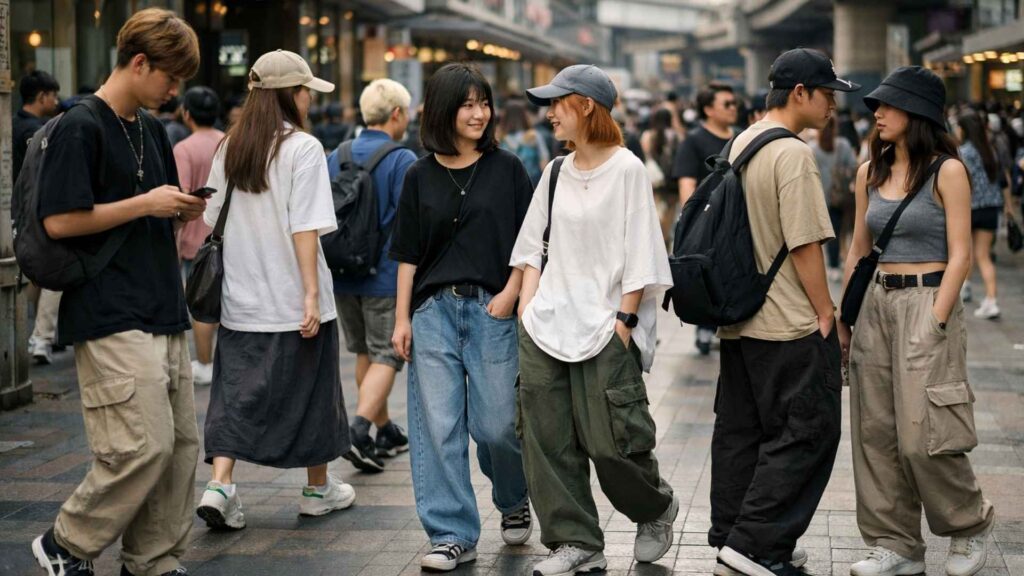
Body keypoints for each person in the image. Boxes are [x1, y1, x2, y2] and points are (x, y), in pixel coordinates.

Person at [29, 9, 204, 576]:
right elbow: (60, 221)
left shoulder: (148, 127)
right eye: (169, 78)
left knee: (178, 449)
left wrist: (179, 207)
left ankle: (151, 560)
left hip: (161, 303)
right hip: (107, 309)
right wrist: (147, 203)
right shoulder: (81, 125)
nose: (175, 92)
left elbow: (145, 210)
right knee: (140, 445)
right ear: (138, 62)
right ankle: (66, 542)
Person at [513, 64, 677, 576]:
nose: (549, 114)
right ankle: (576, 541)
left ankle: (655, 507)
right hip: (546, 324)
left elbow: (641, 253)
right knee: (547, 441)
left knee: (613, 444)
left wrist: (624, 321)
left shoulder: (627, 168)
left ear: (585, 104)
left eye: (557, 103)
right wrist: (527, 308)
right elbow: (532, 247)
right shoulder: (554, 171)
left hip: (607, 324)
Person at [839, 66, 995, 576]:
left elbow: (962, 254)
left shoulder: (947, 171)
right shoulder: (869, 172)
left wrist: (937, 319)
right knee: (875, 432)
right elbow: (859, 252)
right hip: (875, 306)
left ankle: (968, 526)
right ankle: (896, 544)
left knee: (924, 433)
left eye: (888, 105)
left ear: (918, 112)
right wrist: (846, 317)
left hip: (926, 303)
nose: (876, 113)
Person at [194, 50, 355, 532]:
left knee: (234, 393)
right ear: (291, 94)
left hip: (241, 300)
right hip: (293, 300)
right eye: (306, 90)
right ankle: (316, 489)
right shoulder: (302, 148)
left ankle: (220, 486)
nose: (309, 98)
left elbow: (210, 218)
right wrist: (309, 294)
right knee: (313, 392)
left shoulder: (230, 146)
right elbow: (305, 227)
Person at [711, 49, 857, 576]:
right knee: (808, 432)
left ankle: (734, 534)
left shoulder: (743, 140)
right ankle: (755, 545)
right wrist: (826, 311)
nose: (833, 107)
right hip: (789, 321)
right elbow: (804, 244)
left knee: (742, 432)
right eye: (828, 95)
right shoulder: (792, 154)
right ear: (800, 92)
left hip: (740, 319)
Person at [389, 63, 532, 572]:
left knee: (497, 427)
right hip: (431, 312)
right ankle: (451, 533)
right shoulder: (417, 175)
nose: (478, 113)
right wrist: (402, 318)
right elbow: (407, 255)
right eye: (467, 103)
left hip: (493, 309)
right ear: (444, 110)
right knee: (439, 429)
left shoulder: (509, 168)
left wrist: (511, 295)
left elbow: (530, 245)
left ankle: (513, 497)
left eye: (483, 102)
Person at [327, 79, 418, 472]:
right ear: (396, 114)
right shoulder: (402, 160)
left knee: (364, 351)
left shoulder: (338, 154)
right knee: (387, 355)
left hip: (343, 270)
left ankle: (386, 430)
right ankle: (360, 429)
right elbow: (411, 223)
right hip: (384, 274)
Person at [671, 83, 738, 355]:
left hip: (737, 221)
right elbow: (687, 183)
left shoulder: (742, 138)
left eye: (735, 103)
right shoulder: (694, 141)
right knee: (707, 275)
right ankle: (705, 327)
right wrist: (694, 222)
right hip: (708, 223)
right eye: (727, 104)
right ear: (708, 109)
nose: (734, 108)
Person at [173, 86, 224, 386]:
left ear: (187, 114)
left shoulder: (184, 149)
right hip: (228, 233)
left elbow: (181, 196)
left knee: (202, 306)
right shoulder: (229, 142)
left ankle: (205, 363)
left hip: (196, 241)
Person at [15, 71, 64, 366]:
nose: (56, 102)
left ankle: (30, 332)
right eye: (53, 96)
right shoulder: (42, 130)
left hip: (17, 209)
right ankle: (41, 336)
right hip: (39, 209)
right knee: (54, 271)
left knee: (32, 272)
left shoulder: (10, 122)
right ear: (42, 96)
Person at [957, 111, 1014, 319]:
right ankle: (991, 300)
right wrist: (1008, 205)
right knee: (984, 256)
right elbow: (1003, 180)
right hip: (991, 208)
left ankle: (965, 286)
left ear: (964, 130)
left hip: (969, 208)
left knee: (966, 251)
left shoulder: (962, 151)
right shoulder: (990, 150)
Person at [808, 117, 858, 281]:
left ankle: (834, 265)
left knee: (831, 232)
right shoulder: (842, 145)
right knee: (846, 229)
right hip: (841, 195)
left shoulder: (812, 148)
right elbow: (853, 166)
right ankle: (845, 259)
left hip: (822, 196)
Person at [641, 107, 680, 244]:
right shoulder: (675, 135)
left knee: (655, 211)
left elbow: (646, 157)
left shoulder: (647, 135)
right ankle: (665, 241)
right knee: (669, 216)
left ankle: (654, 240)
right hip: (672, 184)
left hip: (654, 180)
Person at [499, 99, 550, 187]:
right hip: (533, 184)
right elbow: (544, 162)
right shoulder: (534, 136)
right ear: (524, 115)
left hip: (508, 186)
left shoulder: (501, 139)